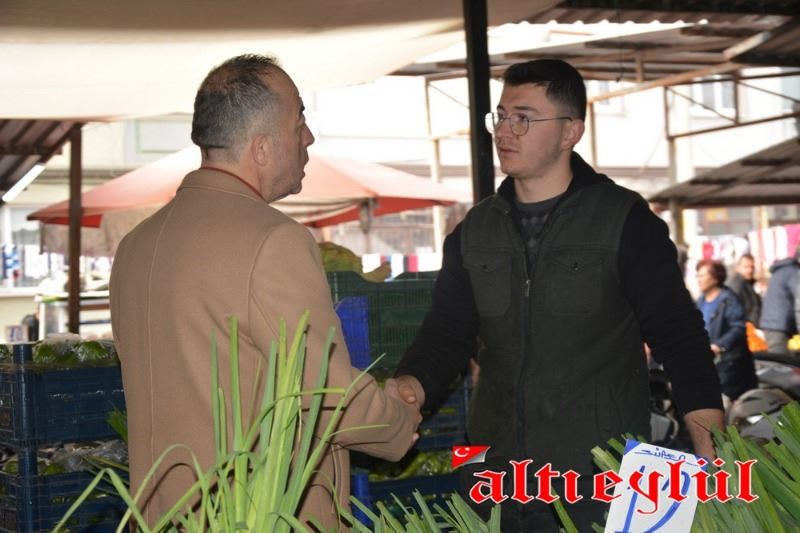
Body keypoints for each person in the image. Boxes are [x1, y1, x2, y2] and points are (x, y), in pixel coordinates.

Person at [388, 59, 724, 532]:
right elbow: (446, 335)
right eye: (501, 116)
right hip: (492, 478)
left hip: (596, 480)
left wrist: (714, 461)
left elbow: (680, 341)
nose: (506, 130)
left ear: (570, 132)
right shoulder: (475, 231)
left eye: (524, 118)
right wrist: (406, 390)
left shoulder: (624, 222)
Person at [109, 54, 420, 529]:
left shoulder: (136, 245)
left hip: (163, 516)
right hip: (255, 515)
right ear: (260, 147)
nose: (308, 138)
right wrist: (399, 417)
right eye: (299, 123)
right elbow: (325, 396)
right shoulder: (273, 239)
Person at [695, 259, 758, 405]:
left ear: (715, 277)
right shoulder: (701, 300)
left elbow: (738, 327)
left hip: (729, 363)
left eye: (702, 275)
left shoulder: (728, 299)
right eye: (697, 275)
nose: (699, 279)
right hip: (710, 362)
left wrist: (719, 345)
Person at [759, 247, 800, 356]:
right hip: (778, 326)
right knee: (780, 361)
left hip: (774, 324)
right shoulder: (793, 272)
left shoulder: (783, 270)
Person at [727, 253, 761, 325]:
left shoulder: (748, 282)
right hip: (746, 327)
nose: (750, 270)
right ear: (738, 268)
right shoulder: (737, 284)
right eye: (746, 267)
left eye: (752, 267)